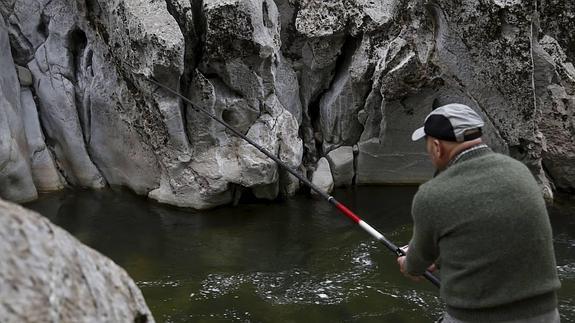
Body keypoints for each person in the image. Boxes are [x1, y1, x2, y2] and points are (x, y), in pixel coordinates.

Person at [396, 103, 561, 322]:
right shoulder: (519, 172)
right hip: (546, 315)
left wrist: (408, 263)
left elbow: (416, 266)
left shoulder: (432, 195)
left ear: (437, 146)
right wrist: (442, 258)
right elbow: (495, 234)